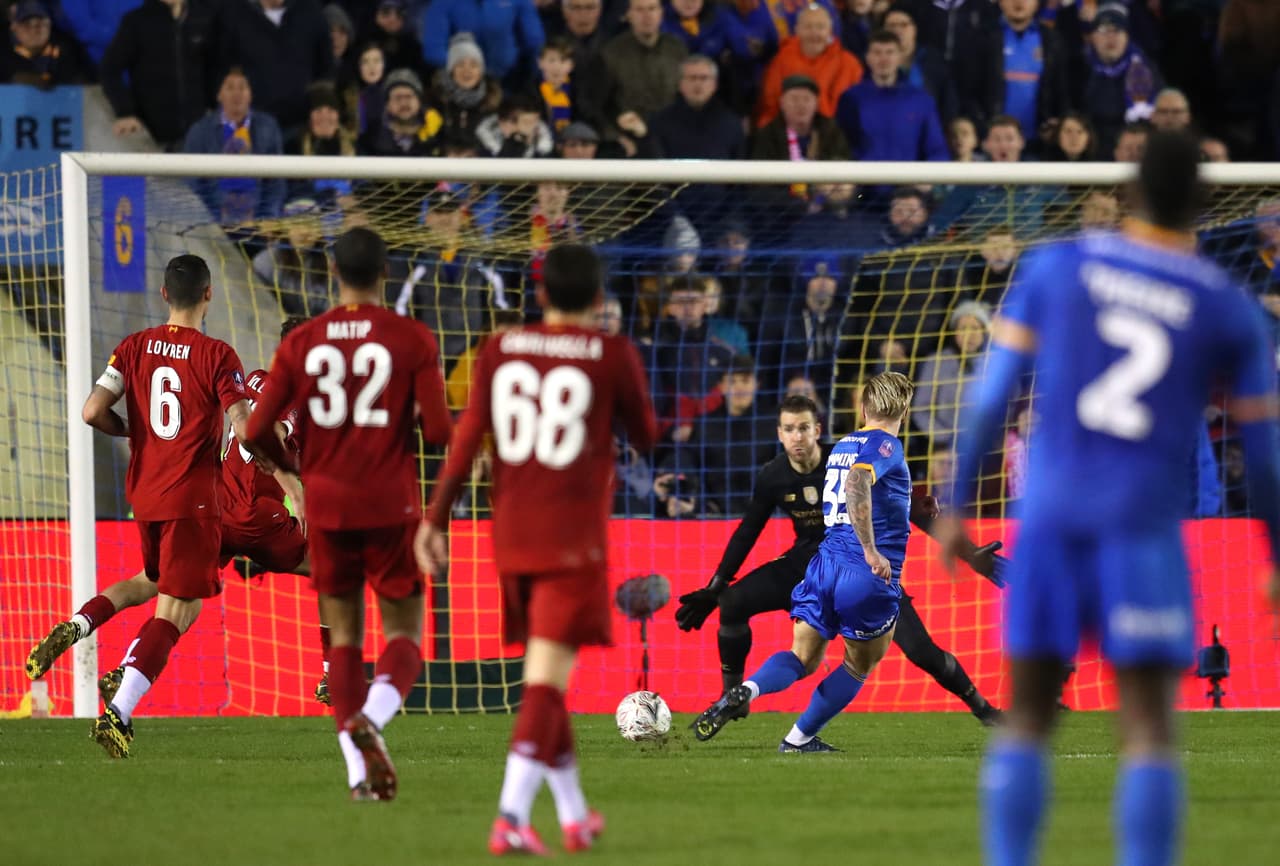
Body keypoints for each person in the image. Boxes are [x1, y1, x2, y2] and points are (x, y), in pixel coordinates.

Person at [938, 130, 1280, 866]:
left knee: (1027, 714)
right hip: (1145, 533)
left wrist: (957, 504)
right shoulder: (1228, 309)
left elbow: (993, 395)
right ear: (1205, 202)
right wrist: (1276, 555)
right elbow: (1265, 456)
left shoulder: (1057, 265)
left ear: (1127, 191)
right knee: (1151, 724)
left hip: (1053, 523)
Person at [415, 243, 659, 854]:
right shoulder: (610, 353)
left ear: (541, 295)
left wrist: (434, 520)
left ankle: (575, 818)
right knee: (547, 686)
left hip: (510, 537)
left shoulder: (500, 348)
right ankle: (510, 816)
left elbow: (467, 438)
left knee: (545, 672)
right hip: (571, 543)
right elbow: (649, 437)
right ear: (600, 299)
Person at [245, 227, 453, 801]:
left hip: (328, 509)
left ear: (334, 273)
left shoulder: (302, 341)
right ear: (384, 273)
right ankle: (374, 720)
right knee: (406, 632)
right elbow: (438, 432)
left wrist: (294, 465)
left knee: (342, 641)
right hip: (390, 504)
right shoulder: (410, 338)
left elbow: (255, 428)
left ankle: (358, 774)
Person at [25, 317, 328, 705]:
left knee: (153, 587)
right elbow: (267, 438)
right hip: (255, 517)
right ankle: (333, 675)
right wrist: (296, 491)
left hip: (212, 509)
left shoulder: (252, 378)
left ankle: (81, 627)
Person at [676, 393, 1003, 727]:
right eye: (789, 429)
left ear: (818, 429)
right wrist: (716, 586)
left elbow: (907, 507)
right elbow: (748, 531)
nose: (797, 437)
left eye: (803, 428)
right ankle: (732, 700)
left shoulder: (844, 457)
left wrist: (966, 550)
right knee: (732, 603)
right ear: (779, 433)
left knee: (920, 651)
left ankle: (983, 708)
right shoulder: (773, 475)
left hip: (859, 563)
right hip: (809, 564)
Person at [69, 255, 253, 757]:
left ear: (164, 293)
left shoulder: (132, 347)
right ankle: (119, 711)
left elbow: (91, 411)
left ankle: (94, 638)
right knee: (180, 608)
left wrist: (131, 430)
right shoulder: (217, 355)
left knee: (157, 589)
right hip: (191, 499)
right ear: (209, 294)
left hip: (143, 497)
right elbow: (241, 421)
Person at [691, 372, 916, 747]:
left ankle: (746, 689)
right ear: (904, 411)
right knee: (858, 664)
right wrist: (872, 551)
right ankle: (798, 739)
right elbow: (858, 485)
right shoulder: (887, 445)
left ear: (862, 408)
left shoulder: (843, 444)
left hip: (823, 564)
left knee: (803, 656)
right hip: (864, 571)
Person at [101, 0, 217, 151]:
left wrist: (215, 108)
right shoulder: (137, 21)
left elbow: (217, 68)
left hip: (199, 136)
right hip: (151, 140)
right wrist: (125, 112)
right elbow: (109, 69)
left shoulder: (204, 17)